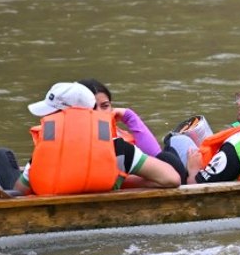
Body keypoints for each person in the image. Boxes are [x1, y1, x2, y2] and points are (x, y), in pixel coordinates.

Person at [13, 81, 181, 195]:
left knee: (1, 157)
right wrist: (123, 181)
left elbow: (19, 191)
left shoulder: (45, 151)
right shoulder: (120, 149)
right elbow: (171, 179)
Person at [77, 78, 163, 156]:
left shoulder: (117, 136)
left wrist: (130, 117)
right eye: (92, 108)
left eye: (105, 106)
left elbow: (157, 157)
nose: (99, 112)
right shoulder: (76, 140)